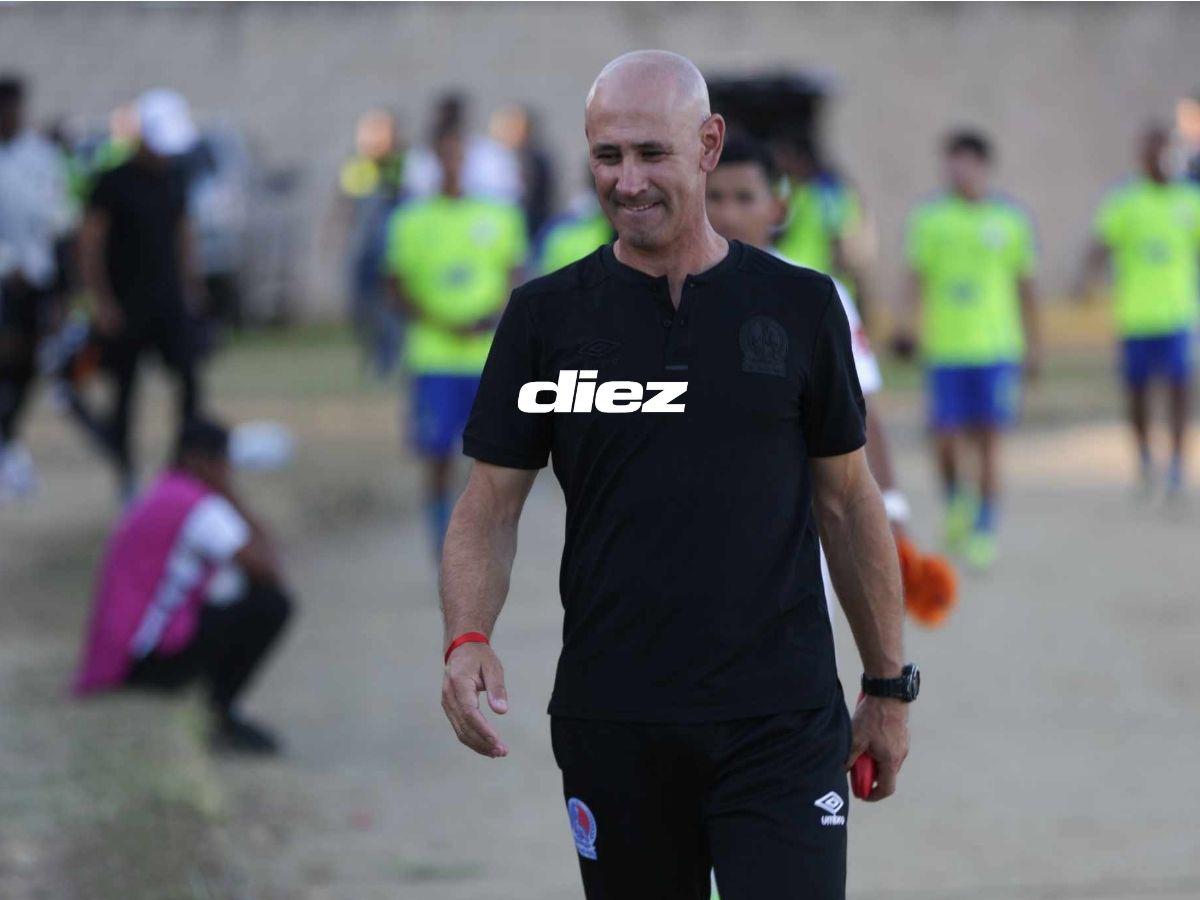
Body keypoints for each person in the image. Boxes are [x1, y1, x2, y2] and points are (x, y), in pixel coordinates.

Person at [440, 51, 915, 900]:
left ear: (707, 143)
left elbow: (846, 503)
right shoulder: (546, 319)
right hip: (615, 718)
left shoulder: (801, 307)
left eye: (651, 153)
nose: (627, 181)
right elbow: (489, 505)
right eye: (607, 156)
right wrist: (468, 638)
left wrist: (886, 685)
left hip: (781, 718)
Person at [705, 133, 911, 561]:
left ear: (776, 208)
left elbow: (862, 407)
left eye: (745, 198)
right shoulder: (669, 294)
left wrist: (890, 506)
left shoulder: (817, 297)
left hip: (795, 533)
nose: (728, 213)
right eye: (714, 197)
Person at [73, 417, 294, 755]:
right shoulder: (197, 504)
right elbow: (268, 570)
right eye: (221, 462)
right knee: (271, 604)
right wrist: (231, 496)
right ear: (197, 460)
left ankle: (215, 709)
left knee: (236, 595)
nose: (227, 470)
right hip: (143, 662)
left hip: (121, 653)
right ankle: (219, 713)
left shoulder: (166, 491)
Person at [897, 130, 1041, 571]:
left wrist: (1035, 344)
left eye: (966, 162)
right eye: (951, 162)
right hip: (946, 349)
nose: (957, 170)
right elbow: (915, 279)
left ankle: (984, 528)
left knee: (990, 442)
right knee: (944, 440)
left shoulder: (1010, 219)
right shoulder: (930, 219)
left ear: (983, 166)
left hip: (997, 349)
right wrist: (908, 325)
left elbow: (1026, 285)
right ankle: (957, 502)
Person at [385, 126, 526, 560]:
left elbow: (513, 274)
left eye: (460, 158)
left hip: (487, 358)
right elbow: (395, 284)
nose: (453, 167)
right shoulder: (410, 220)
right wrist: (443, 322)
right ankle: (441, 544)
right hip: (434, 358)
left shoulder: (501, 217)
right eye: (444, 158)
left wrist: (492, 316)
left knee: (490, 460)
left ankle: (481, 542)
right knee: (437, 457)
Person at [78, 89, 206, 502]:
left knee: (188, 380)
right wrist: (102, 302)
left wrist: (192, 287)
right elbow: (91, 243)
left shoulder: (174, 179)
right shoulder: (112, 182)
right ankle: (126, 472)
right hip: (127, 303)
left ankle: (183, 466)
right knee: (125, 392)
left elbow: (184, 234)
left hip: (168, 300)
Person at [1078, 124, 1200, 498]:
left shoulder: (1189, 200)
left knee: (1180, 389)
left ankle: (1178, 464)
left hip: (1178, 315)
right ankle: (1146, 458)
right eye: (1150, 150)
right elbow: (1101, 244)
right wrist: (1087, 279)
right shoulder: (1125, 200)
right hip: (1136, 317)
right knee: (1138, 392)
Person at [0, 74, 72, 501]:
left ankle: (8, 441)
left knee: (27, 366)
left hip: (37, 279)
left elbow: (56, 218)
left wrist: (53, 280)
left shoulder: (41, 156)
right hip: (4, 281)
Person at [334, 109, 407, 376]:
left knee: (390, 310)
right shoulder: (357, 166)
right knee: (363, 310)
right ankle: (372, 358)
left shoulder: (403, 165)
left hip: (391, 253)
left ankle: (389, 362)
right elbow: (346, 208)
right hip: (362, 252)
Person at [772, 132, 867, 296]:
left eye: (785, 157)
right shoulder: (794, 189)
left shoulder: (828, 191)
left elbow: (842, 242)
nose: (781, 164)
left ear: (800, 157)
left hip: (817, 283)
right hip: (795, 279)